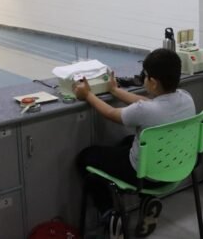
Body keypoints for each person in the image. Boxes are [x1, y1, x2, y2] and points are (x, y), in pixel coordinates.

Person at [74, 48, 195, 237]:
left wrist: (88, 94)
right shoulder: (186, 98)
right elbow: (147, 103)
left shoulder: (145, 111)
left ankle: (110, 215)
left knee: (85, 157)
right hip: (177, 169)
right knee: (128, 141)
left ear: (153, 82)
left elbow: (110, 113)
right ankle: (147, 201)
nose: (142, 78)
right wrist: (115, 90)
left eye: (143, 75)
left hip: (145, 176)